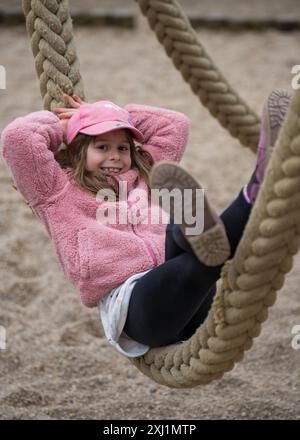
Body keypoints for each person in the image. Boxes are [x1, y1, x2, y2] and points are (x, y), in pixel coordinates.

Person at [0, 89, 291, 358]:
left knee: (184, 229)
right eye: (102, 146)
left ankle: (253, 188)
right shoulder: (57, 190)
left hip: (191, 297)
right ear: (78, 149)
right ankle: (241, 203)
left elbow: (175, 125)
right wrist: (67, 125)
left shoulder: (145, 174)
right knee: (204, 257)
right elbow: (18, 139)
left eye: (123, 148)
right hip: (138, 308)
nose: (115, 156)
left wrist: (106, 113)